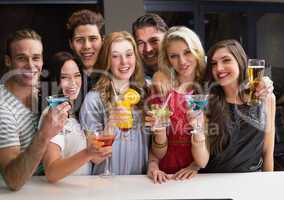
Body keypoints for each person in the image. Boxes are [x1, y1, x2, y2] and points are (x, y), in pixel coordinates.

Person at [0, 29, 70, 190]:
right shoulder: (0, 110)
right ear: (8, 61)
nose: (30, 65)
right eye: (21, 58)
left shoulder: (39, 94)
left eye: (36, 58)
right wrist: (44, 134)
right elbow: (13, 181)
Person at [80, 31, 150, 175]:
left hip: (141, 183)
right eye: (116, 56)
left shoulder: (146, 93)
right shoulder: (93, 99)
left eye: (129, 54)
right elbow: (95, 158)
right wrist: (111, 123)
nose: (124, 62)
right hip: (107, 184)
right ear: (107, 60)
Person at [146, 26, 209, 184]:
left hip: (200, 177)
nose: (182, 62)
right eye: (174, 56)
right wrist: (153, 165)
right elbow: (157, 148)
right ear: (167, 60)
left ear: (197, 51)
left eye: (187, 52)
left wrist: (195, 166)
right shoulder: (162, 90)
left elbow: (208, 148)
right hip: (165, 178)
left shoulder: (209, 88)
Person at [202, 39, 275, 172]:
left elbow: (267, 152)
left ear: (240, 61)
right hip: (214, 181)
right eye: (213, 64)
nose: (219, 68)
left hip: (251, 180)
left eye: (226, 60)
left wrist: (267, 185)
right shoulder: (208, 102)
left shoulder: (267, 98)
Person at [41, 52, 112, 183]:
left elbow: (95, 159)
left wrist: (112, 121)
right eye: (64, 77)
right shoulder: (53, 114)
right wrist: (88, 153)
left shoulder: (75, 112)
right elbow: (51, 172)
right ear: (54, 80)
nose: (73, 83)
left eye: (77, 75)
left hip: (82, 191)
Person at [66, 9, 104, 94]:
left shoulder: (115, 73)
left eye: (93, 39)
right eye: (79, 40)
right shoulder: (62, 79)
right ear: (71, 43)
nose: (87, 46)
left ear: (103, 40)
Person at [132, 13, 168, 82]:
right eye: (141, 43)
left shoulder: (183, 71)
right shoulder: (133, 80)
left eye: (154, 41)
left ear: (167, 39)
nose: (148, 49)